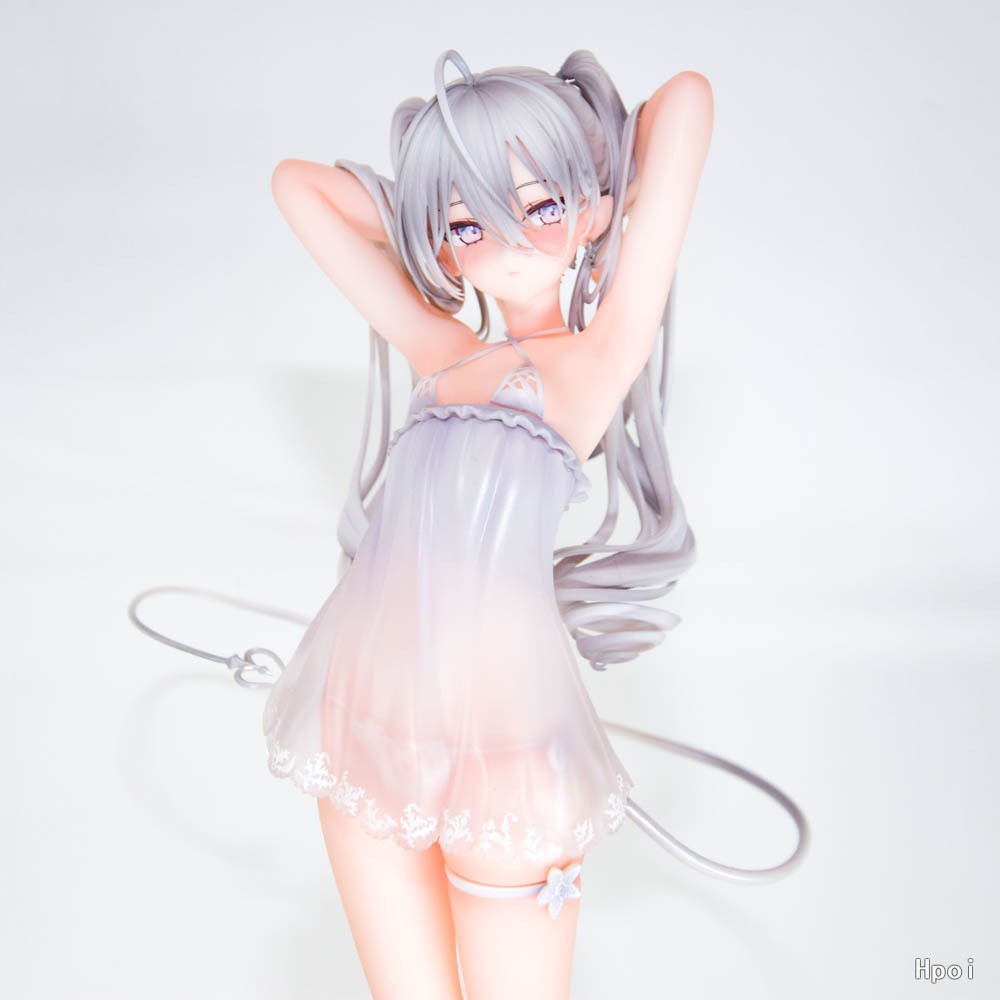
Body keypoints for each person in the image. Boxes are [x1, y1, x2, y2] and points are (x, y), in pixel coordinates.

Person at [263, 49, 713, 1000]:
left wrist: (575, 169)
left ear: (595, 209)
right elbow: (297, 188)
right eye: (470, 225)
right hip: (367, 724)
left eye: (541, 208)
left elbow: (685, 103)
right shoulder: (442, 351)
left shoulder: (598, 356)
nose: (506, 242)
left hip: (506, 750)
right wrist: (432, 199)